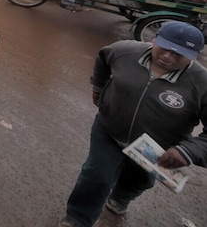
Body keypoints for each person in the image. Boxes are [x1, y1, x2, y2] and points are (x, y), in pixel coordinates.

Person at [60, 21, 207, 227]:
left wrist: (187, 152)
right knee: (96, 176)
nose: (167, 57)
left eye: (178, 54)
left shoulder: (201, 83)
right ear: (154, 39)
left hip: (155, 148)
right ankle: (77, 218)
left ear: (195, 55)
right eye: (164, 48)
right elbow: (103, 59)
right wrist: (99, 88)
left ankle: (121, 197)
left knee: (140, 180)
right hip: (109, 130)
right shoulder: (125, 52)